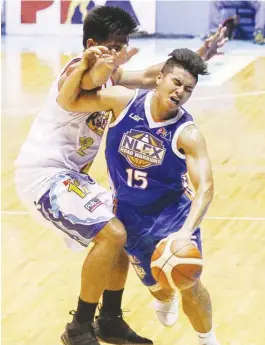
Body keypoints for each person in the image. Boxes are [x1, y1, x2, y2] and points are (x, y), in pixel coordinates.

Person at [15, 5, 227, 345]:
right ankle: (79, 327)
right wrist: (94, 62)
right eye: (113, 46)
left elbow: (155, 76)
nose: (120, 54)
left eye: (123, 45)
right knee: (112, 233)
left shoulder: (113, 75)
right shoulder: (80, 70)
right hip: (44, 175)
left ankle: (110, 319)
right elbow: (92, 78)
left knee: (121, 228)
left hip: (72, 177)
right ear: (91, 44)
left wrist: (201, 53)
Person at [57, 47, 220, 345]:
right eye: (176, 83)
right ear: (159, 78)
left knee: (190, 282)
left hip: (173, 217)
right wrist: (81, 67)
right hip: (130, 217)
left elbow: (206, 187)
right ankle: (164, 294)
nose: (180, 92)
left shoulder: (187, 133)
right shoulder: (124, 102)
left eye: (188, 89)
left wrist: (185, 232)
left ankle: (208, 339)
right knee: (160, 286)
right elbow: (69, 101)